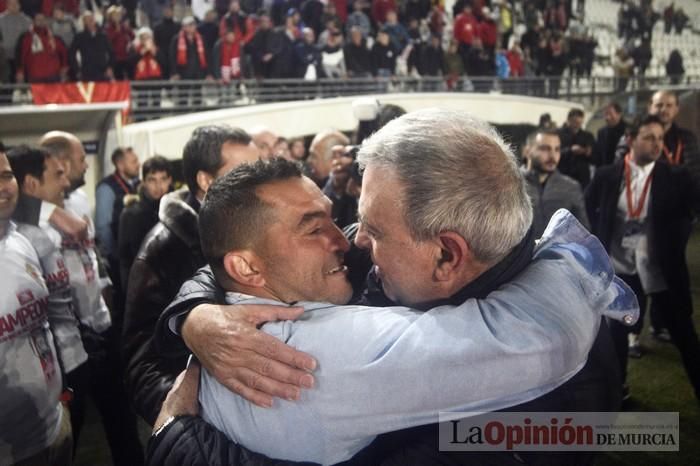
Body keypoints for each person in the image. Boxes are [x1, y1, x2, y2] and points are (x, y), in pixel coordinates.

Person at [149, 110, 637, 465]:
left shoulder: (536, 393)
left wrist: (176, 440)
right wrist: (197, 316)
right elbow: (237, 258)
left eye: (374, 231)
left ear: (446, 255)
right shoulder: (421, 270)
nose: (353, 242)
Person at [122, 125, 262, 426]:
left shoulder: (253, 228)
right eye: (245, 171)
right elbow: (141, 366)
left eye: (259, 169)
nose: (260, 182)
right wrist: (196, 420)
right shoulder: (160, 250)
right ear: (205, 180)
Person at [37, 132, 145, 466]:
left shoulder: (80, 201)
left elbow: (93, 257)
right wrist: (44, 210)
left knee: (122, 422)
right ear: (62, 163)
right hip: (67, 343)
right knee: (72, 430)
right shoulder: (27, 217)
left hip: (100, 329)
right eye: (82, 158)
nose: (86, 164)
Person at [585, 114, 700, 401]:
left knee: (684, 334)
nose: (657, 143)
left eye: (660, 138)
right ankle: (618, 390)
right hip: (620, 269)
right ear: (631, 139)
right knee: (617, 334)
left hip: (661, 270)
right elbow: (587, 211)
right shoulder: (606, 176)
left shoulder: (676, 176)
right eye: (649, 137)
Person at [0, 150, 80, 466]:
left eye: (6, 176)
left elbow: (46, 325)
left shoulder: (24, 241)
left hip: (54, 426)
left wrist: (62, 403)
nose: (3, 186)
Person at [522, 128, 589, 238]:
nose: (553, 156)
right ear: (527, 151)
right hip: (520, 254)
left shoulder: (571, 187)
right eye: (545, 149)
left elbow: (583, 234)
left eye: (557, 149)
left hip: (557, 255)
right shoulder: (511, 184)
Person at [118, 155, 173, 289]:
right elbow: (125, 259)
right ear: (143, 182)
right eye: (152, 180)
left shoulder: (178, 210)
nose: (158, 185)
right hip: (144, 287)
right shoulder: (131, 214)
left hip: (176, 285)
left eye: (163, 179)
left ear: (170, 180)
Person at [69, 10, 114, 81]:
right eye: (86, 20)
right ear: (84, 22)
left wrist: (110, 67)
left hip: (103, 73)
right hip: (87, 73)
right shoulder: (79, 37)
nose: (89, 22)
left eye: (91, 19)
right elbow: (71, 53)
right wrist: (77, 70)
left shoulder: (103, 36)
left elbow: (112, 53)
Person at [558, 108, 595, 188]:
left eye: (579, 122)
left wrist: (588, 153)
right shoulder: (559, 134)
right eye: (574, 122)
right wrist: (570, 150)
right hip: (564, 173)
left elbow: (594, 157)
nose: (577, 125)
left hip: (582, 177)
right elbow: (556, 152)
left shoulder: (588, 136)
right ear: (569, 120)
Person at [593, 102, 627, 167]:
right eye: (605, 114)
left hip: (623, 171)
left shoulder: (628, 131)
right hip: (605, 171)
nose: (607, 117)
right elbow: (598, 154)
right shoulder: (601, 132)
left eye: (610, 114)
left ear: (619, 114)